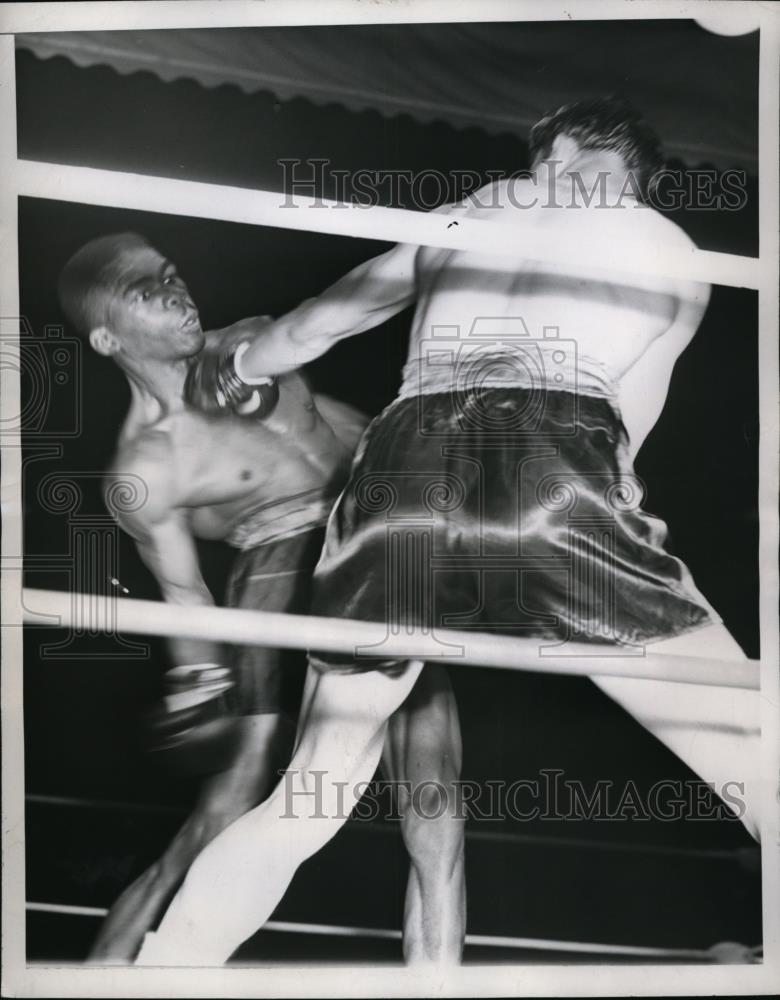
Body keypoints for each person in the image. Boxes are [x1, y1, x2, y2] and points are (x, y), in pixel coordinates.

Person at [136, 98, 763, 966]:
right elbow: (626, 434)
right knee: (757, 754)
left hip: (405, 466)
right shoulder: (674, 251)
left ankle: (161, 971)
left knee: (312, 793)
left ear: (557, 151)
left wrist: (233, 365)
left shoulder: (473, 210)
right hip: (557, 456)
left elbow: (321, 323)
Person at [56, 233, 465, 964]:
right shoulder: (144, 469)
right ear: (106, 335)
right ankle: (110, 978)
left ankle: (436, 983)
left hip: (379, 547)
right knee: (226, 808)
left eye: (173, 272)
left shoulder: (253, 344)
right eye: (147, 288)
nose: (177, 291)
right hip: (276, 577)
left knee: (434, 791)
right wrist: (199, 687)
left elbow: (354, 431)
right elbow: (183, 593)